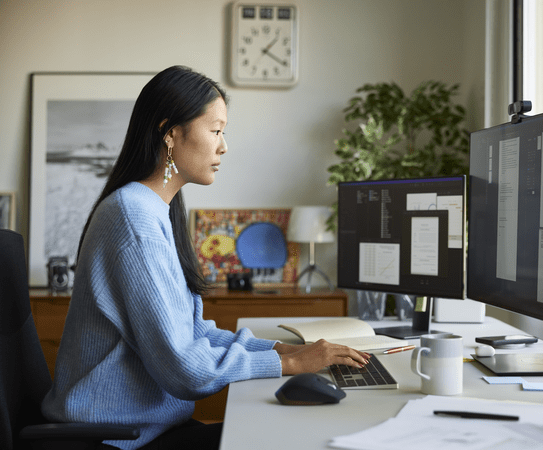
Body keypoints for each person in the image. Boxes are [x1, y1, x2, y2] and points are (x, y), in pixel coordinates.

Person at [41, 66, 370, 450]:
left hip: (145, 430)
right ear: (171, 133)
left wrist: (284, 350)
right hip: (115, 440)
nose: (223, 146)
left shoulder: (152, 211)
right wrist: (291, 365)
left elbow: (195, 333)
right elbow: (185, 370)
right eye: (215, 130)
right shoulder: (133, 218)